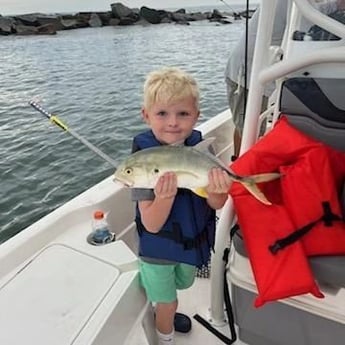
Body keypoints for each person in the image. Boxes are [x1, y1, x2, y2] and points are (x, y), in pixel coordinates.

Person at [131, 67, 232, 345]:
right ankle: (165, 336)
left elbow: (215, 203)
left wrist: (219, 192)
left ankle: (164, 310)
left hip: (191, 244)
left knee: (185, 283)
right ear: (146, 115)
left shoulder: (201, 151)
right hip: (158, 252)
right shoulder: (143, 160)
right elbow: (150, 224)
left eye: (183, 114)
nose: (173, 123)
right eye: (162, 113)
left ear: (196, 116)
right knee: (169, 302)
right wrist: (164, 197)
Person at [225, 0, 288, 157]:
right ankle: (239, 169)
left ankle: (239, 164)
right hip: (245, 73)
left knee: (246, 126)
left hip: (260, 73)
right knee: (248, 130)